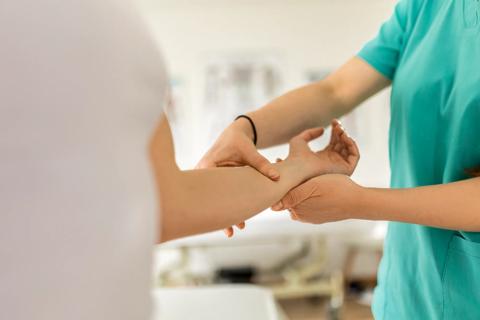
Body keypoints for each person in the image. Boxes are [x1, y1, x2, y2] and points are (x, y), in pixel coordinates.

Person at [0, 1, 360, 319]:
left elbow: (168, 200)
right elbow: (172, 201)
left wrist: (287, 159)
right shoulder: (94, 27)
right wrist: (296, 166)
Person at [199, 0, 480, 319]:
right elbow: (335, 91)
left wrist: (358, 202)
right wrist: (245, 129)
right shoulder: (426, 7)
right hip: (406, 294)